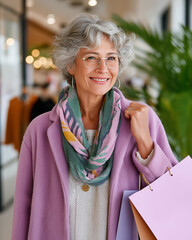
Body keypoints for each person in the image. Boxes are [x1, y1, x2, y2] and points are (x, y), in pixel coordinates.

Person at [11, 14, 178, 240]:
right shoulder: (40, 130)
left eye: (111, 58)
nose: (103, 68)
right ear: (70, 64)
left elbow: (174, 195)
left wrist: (146, 145)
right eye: (91, 57)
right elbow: (24, 206)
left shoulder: (142, 120)